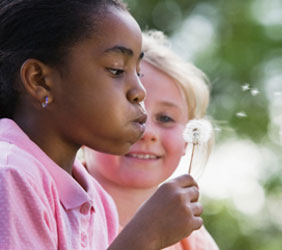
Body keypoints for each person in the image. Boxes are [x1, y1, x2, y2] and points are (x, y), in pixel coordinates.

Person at [0, 1, 203, 249]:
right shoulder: (10, 174)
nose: (140, 91)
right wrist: (145, 238)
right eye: (117, 70)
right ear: (39, 79)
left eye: (137, 72)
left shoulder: (98, 201)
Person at [82, 30, 219, 250]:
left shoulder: (192, 240)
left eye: (166, 118)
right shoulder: (53, 203)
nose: (147, 132)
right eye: (126, 109)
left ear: (188, 139)